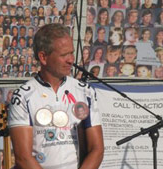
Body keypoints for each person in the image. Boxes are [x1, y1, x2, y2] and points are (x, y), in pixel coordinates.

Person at [8, 23, 104, 169]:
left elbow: (97, 149)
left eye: (71, 53)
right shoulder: (22, 96)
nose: (71, 60)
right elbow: (23, 158)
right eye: (64, 55)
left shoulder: (85, 91)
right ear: (43, 57)